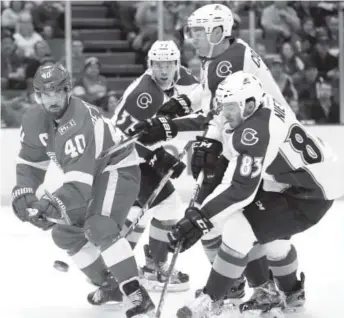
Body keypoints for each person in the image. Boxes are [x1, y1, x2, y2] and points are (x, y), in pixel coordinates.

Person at [129, 3, 302, 304]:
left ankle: (257, 288)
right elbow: (210, 96)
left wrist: (168, 127)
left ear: (219, 31)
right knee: (229, 220)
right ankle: (263, 287)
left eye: (198, 31)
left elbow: (216, 116)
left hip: (260, 149)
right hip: (249, 145)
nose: (190, 38)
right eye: (192, 31)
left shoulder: (229, 62)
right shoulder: (222, 55)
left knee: (221, 219)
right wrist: (182, 104)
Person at [170, 71, 343, 317]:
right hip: (303, 178)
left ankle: (213, 299)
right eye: (222, 105)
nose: (223, 113)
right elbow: (217, 123)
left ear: (249, 104)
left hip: (314, 191)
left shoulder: (255, 132)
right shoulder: (258, 104)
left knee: (238, 227)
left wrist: (200, 217)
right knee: (271, 239)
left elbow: (241, 190)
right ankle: (289, 292)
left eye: (229, 107)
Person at [11, 63, 155, 318]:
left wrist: (46, 208)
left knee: (98, 225)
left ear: (68, 90)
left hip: (117, 168)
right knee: (65, 236)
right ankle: (109, 286)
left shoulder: (80, 121)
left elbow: (78, 188)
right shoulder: (34, 119)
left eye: (57, 91)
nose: (52, 99)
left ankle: (137, 293)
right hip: (91, 175)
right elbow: (31, 163)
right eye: (45, 93)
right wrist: (24, 191)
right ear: (37, 95)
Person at [112, 39, 199, 292]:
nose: (163, 70)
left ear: (177, 65)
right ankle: (154, 270)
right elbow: (125, 137)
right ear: (150, 65)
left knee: (141, 209)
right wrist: (155, 156)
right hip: (125, 156)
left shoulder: (179, 75)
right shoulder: (147, 95)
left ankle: (114, 266)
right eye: (158, 65)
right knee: (169, 205)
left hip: (134, 154)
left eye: (168, 65)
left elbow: (201, 91)